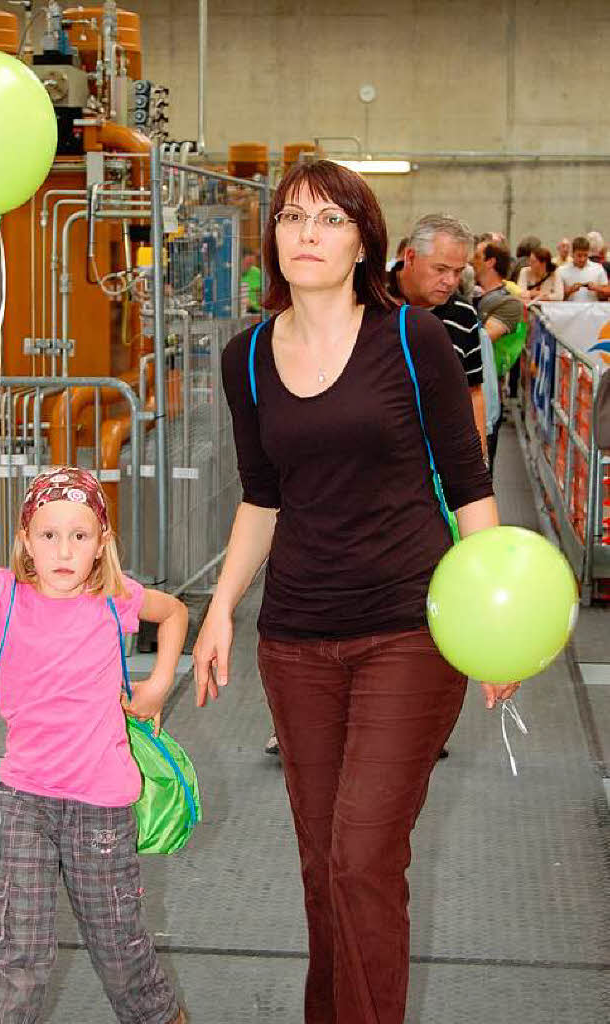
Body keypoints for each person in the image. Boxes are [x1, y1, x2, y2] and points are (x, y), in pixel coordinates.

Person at [193, 160, 518, 1024]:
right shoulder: (247, 358)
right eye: (293, 217)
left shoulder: (413, 341)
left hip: (409, 630)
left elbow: (469, 482)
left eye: (331, 220)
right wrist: (221, 608)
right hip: (296, 640)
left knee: (363, 856)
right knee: (319, 863)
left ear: (366, 241)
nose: (307, 234)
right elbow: (261, 496)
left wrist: (496, 627)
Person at [0, 467, 188, 1024]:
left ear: (102, 545)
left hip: (102, 810)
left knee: (121, 952)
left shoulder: (115, 599)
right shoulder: (4, 593)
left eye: (80, 535)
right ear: (26, 540)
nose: (64, 550)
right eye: (49, 535)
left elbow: (174, 613)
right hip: (26, 801)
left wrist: (160, 682)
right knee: (16, 951)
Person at [387, 213, 487, 460]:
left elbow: (473, 391)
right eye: (440, 269)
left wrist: (479, 458)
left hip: (436, 461)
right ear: (410, 257)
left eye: (458, 272)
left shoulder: (463, 315)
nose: (450, 281)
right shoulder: (366, 303)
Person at [472, 237, 525, 468]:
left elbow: (481, 337)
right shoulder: (471, 295)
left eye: (476, 256)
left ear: (490, 262)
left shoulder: (509, 303)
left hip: (485, 392)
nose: (471, 261)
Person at [558, 235, 609, 301]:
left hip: (593, 310)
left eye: (585, 255)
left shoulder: (598, 268)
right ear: (572, 254)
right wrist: (569, 290)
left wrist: (597, 288)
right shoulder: (562, 270)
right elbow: (557, 297)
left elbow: (607, 294)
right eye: (579, 255)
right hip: (569, 310)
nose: (582, 259)